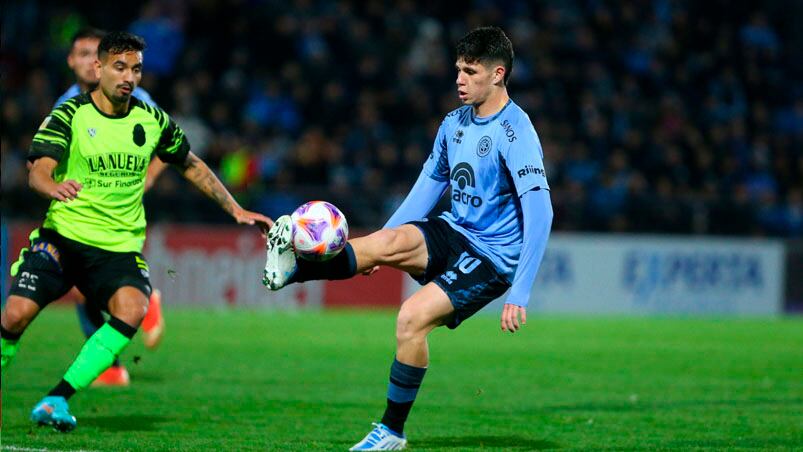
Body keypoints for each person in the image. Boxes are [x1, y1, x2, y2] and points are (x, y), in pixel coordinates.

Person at [263, 26, 553, 451]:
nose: (459, 79)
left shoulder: (517, 132)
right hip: (456, 230)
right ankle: (293, 269)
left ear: (498, 74)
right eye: (457, 69)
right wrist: (384, 242)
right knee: (383, 242)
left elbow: (541, 212)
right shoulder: (454, 123)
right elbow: (429, 185)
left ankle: (392, 432)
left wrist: (521, 290)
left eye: (470, 72)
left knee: (410, 319)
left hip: (493, 258)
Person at [0, 31, 272, 432]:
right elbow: (38, 169)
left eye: (137, 69)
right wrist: (52, 185)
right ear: (100, 68)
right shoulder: (69, 114)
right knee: (15, 315)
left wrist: (233, 207)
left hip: (117, 248)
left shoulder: (152, 119)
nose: (129, 76)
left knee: (132, 308)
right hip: (63, 239)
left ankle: (57, 398)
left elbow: (190, 163)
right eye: (120, 67)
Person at [54, 26, 168, 387]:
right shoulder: (66, 105)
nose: (89, 62)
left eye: (94, 53)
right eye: (83, 54)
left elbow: (172, 145)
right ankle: (113, 359)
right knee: (82, 285)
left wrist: (147, 179)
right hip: (80, 210)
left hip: (118, 209)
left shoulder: (137, 97)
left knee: (89, 281)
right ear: (72, 61)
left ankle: (112, 360)